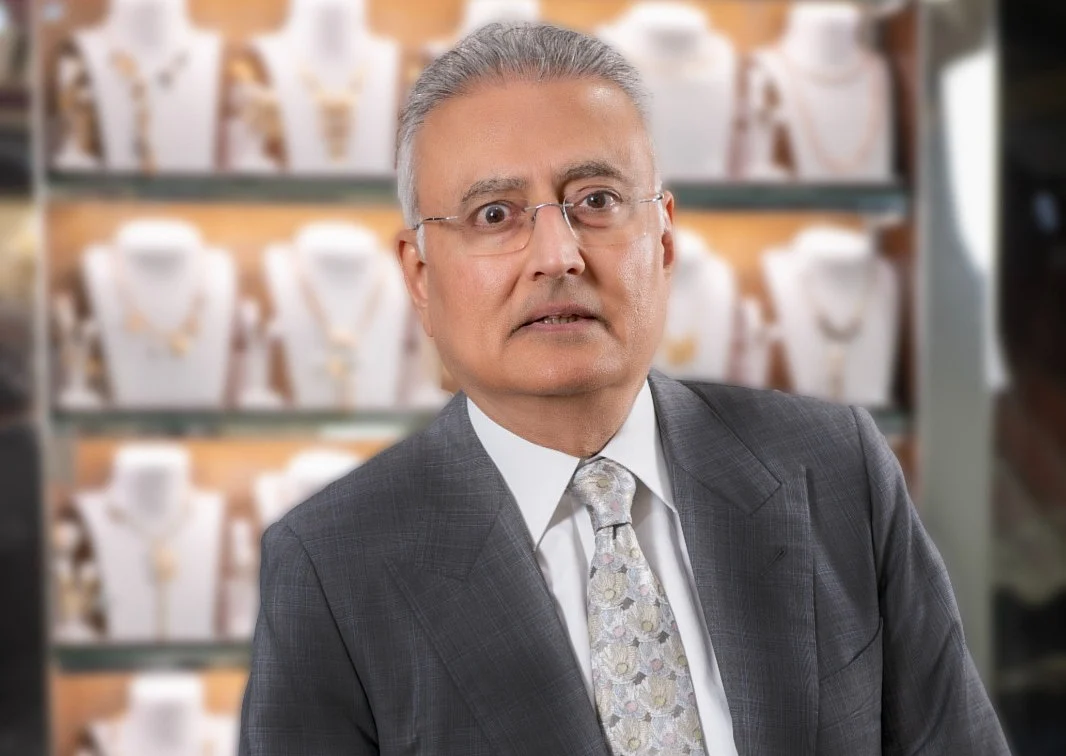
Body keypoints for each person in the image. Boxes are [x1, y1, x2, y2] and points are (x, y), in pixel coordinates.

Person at [239, 22, 1010, 756]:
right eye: (495, 214)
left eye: (597, 201)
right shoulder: (331, 567)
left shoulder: (835, 468)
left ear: (665, 237)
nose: (558, 255)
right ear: (419, 275)